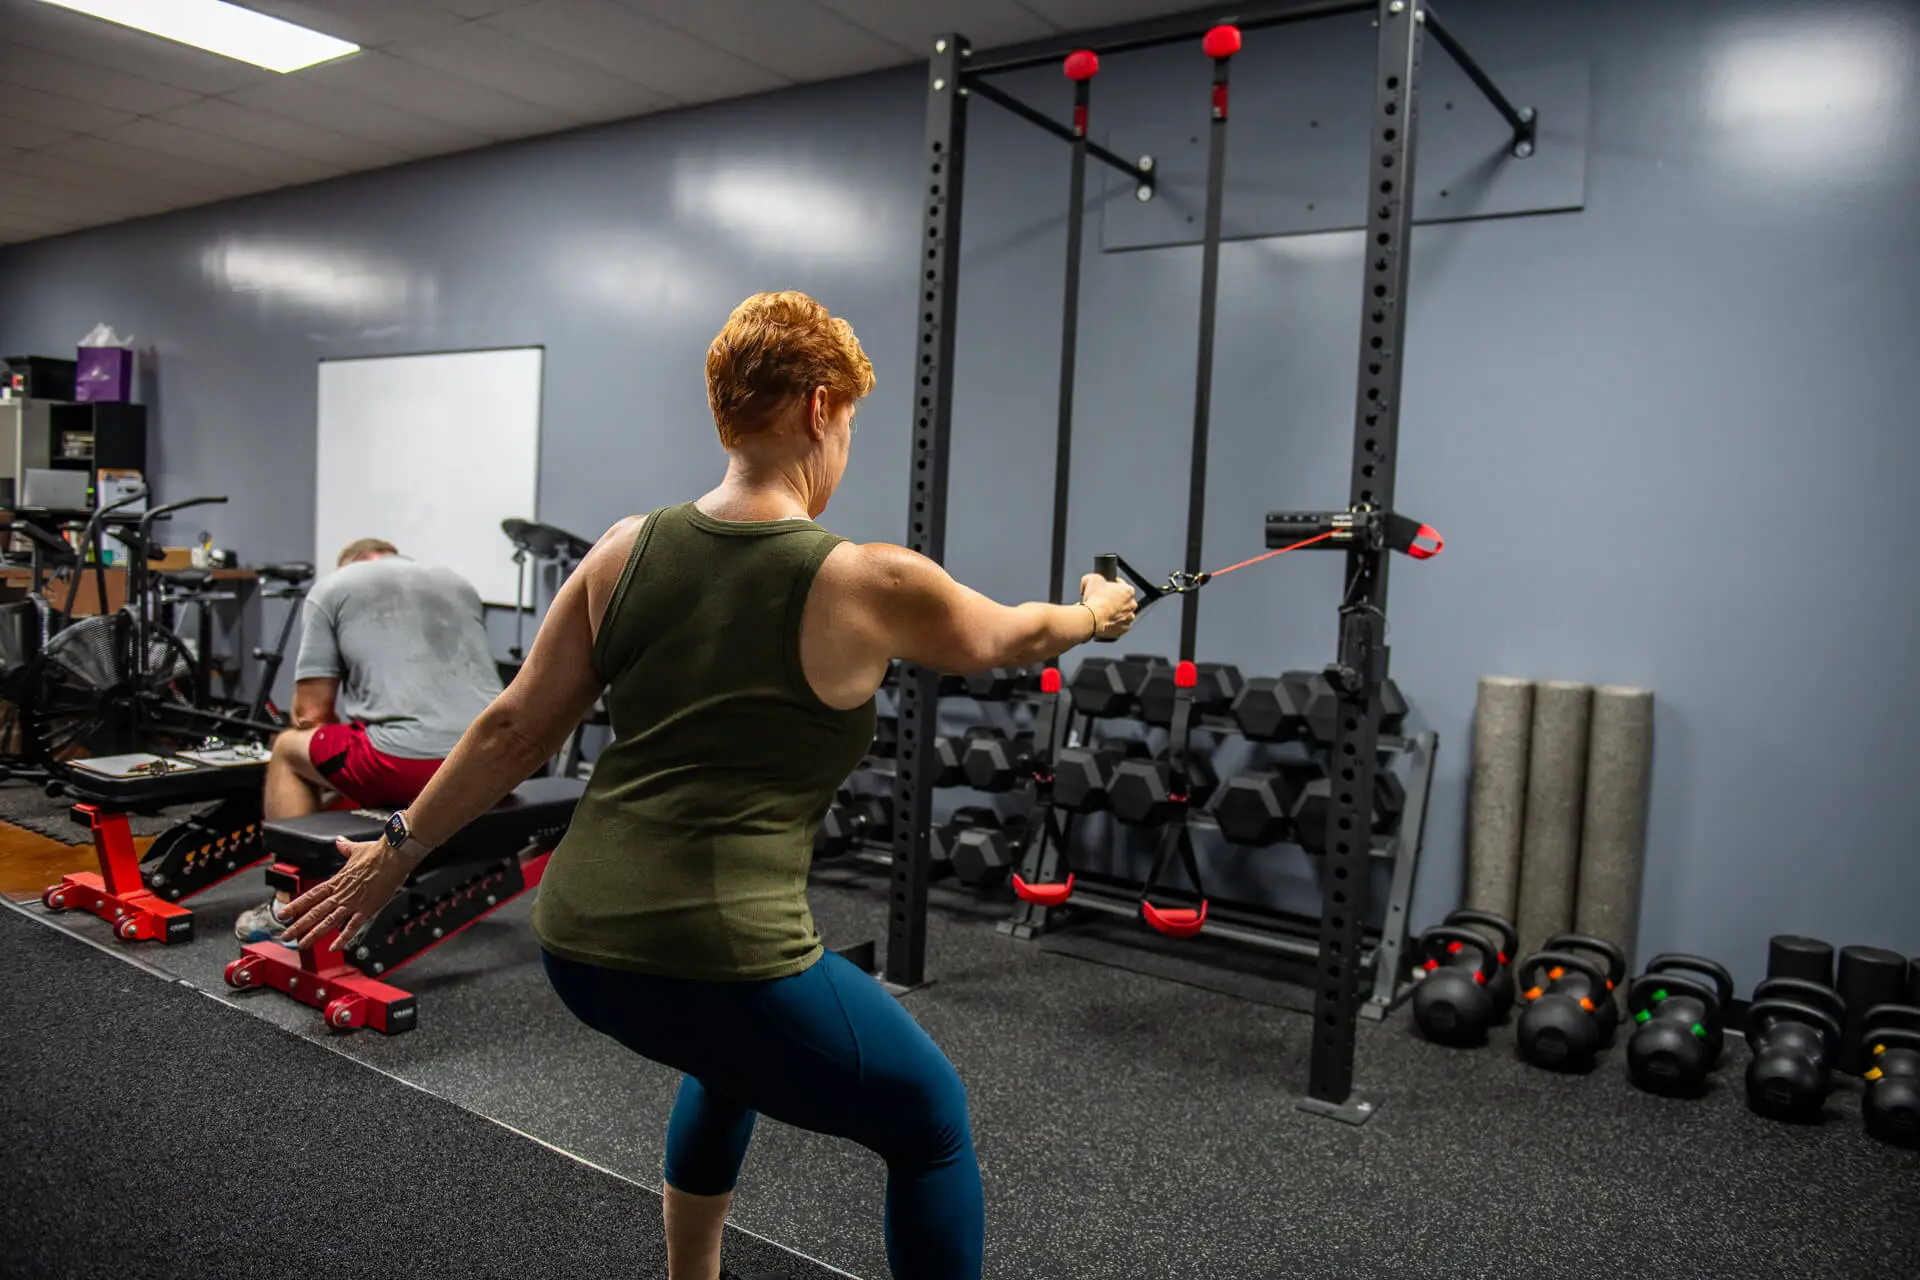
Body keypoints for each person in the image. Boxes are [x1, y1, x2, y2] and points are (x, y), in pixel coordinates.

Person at [279, 291, 1137, 1280]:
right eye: (849, 425)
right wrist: (1097, 609)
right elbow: (1016, 636)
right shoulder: (868, 579)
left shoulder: (622, 549)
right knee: (932, 1120)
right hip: (721, 952)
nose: (845, 446)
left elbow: (515, 727)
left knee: (729, 1062)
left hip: (580, 942)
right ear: (820, 408)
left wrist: (398, 849)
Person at [233, 537, 503, 944]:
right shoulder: (458, 583)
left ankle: (293, 904)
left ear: (349, 564)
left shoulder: (334, 587)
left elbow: (311, 714)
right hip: (495, 761)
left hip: (407, 764)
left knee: (288, 747)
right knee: (362, 745)